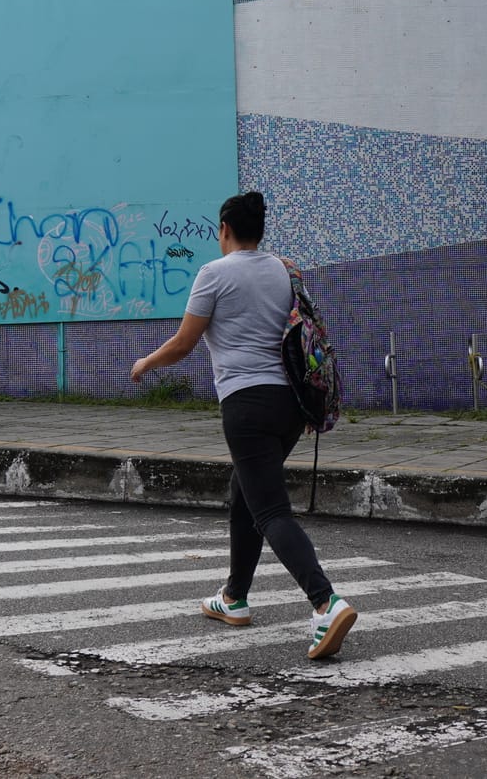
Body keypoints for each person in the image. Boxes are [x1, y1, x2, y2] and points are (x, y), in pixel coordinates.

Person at [130, 191, 358, 660]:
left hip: (246, 405)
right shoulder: (284, 269)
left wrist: (146, 364)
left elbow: (184, 344)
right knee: (245, 494)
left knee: (271, 510)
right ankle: (234, 597)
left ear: (225, 230)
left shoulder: (214, 274)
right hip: (291, 405)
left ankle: (325, 602)